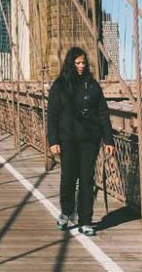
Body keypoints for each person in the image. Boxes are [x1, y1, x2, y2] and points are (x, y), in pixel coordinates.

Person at [46, 46, 115, 235]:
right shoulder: (59, 86)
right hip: (67, 140)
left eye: (84, 62)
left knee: (86, 179)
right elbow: (52, 115)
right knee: (68, 178)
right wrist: (53, 141)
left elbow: (103, 113)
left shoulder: (92, 86)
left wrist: (108, 140)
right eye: (77, 63)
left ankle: (86, 220)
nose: (81, 66)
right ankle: (67, 211)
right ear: (70, 63)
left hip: (89, 141)